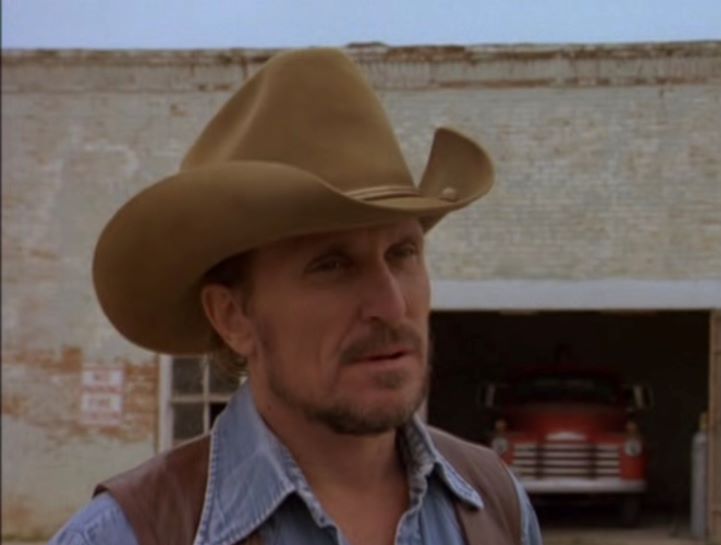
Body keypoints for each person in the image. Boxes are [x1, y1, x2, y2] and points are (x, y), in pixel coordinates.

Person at [50, 48, 542, 545]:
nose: (392, 306)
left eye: (403, 253)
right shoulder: (122, 536)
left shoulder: (495, 505)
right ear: (233, 317)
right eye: (332, 266)